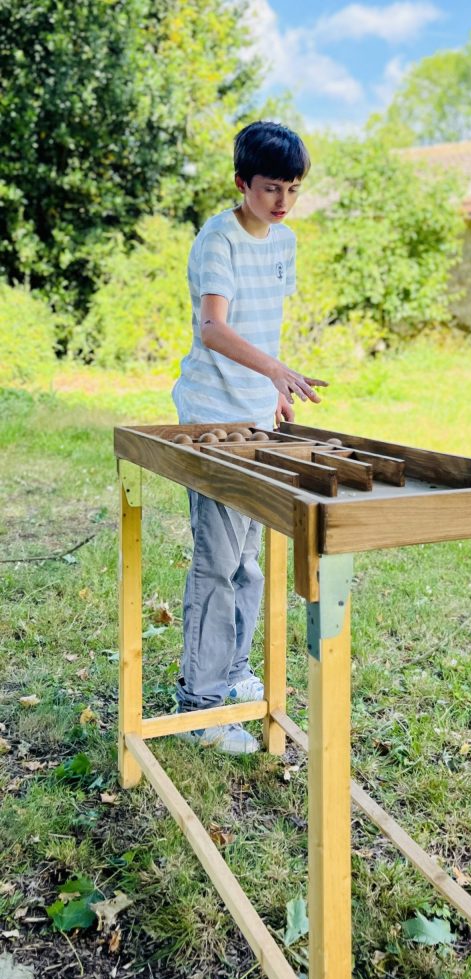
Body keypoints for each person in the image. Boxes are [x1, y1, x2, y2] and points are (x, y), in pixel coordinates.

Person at [171, 121, 326, 754]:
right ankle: (201, 707)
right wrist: (274, 369)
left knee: (248, 562)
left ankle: (231, 677)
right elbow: (214, 328)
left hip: (257, 414)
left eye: (291, 188)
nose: (282, 201)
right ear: (242, 183)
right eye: (270, 189)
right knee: (218, 560)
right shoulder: (219, 238)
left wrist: (276, 390)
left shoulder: (284, 241)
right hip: (212, 416)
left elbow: (267, 325)